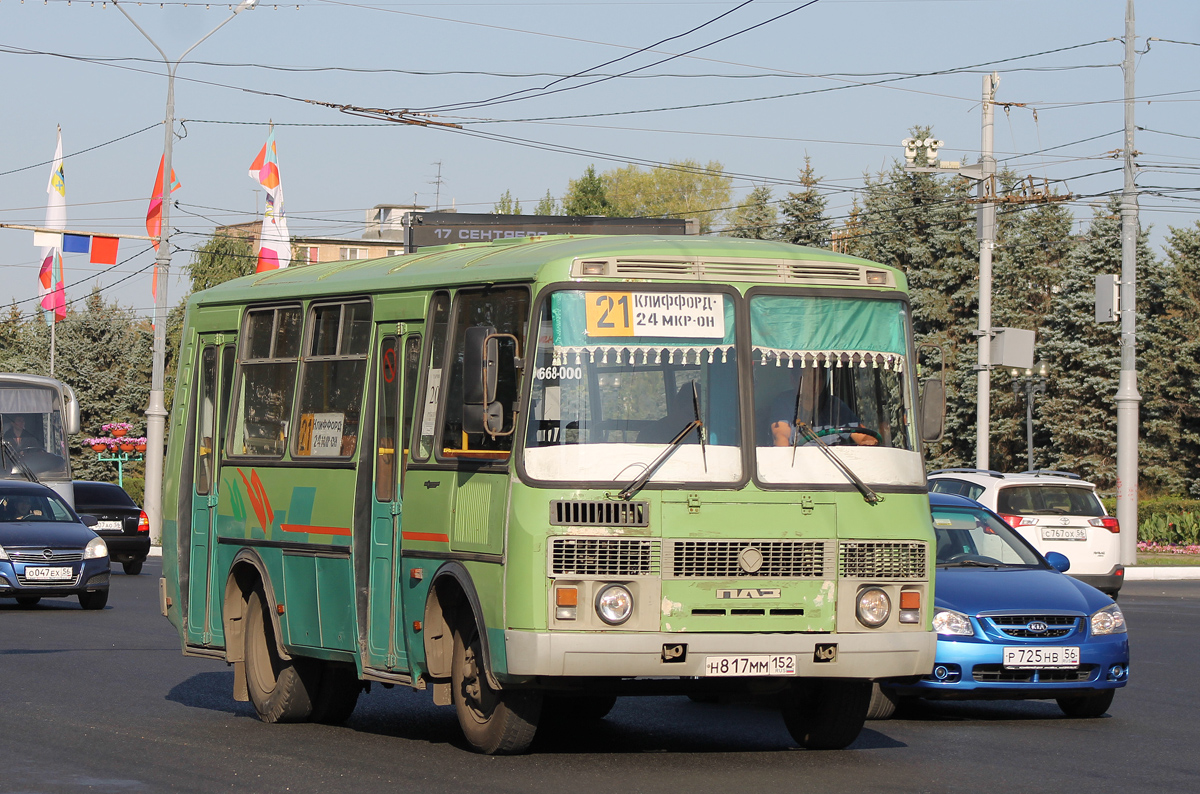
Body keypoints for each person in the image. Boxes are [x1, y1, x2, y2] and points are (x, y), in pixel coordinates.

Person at [766, 366, 878, 447]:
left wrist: (868, 442)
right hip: (799, 470)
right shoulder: (783, 403)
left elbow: (863, 435)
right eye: (807, 378)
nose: (813, 384)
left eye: (818, 378)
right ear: (793, 381)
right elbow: (780, 437)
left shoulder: (835, 405)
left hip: (835, 469)